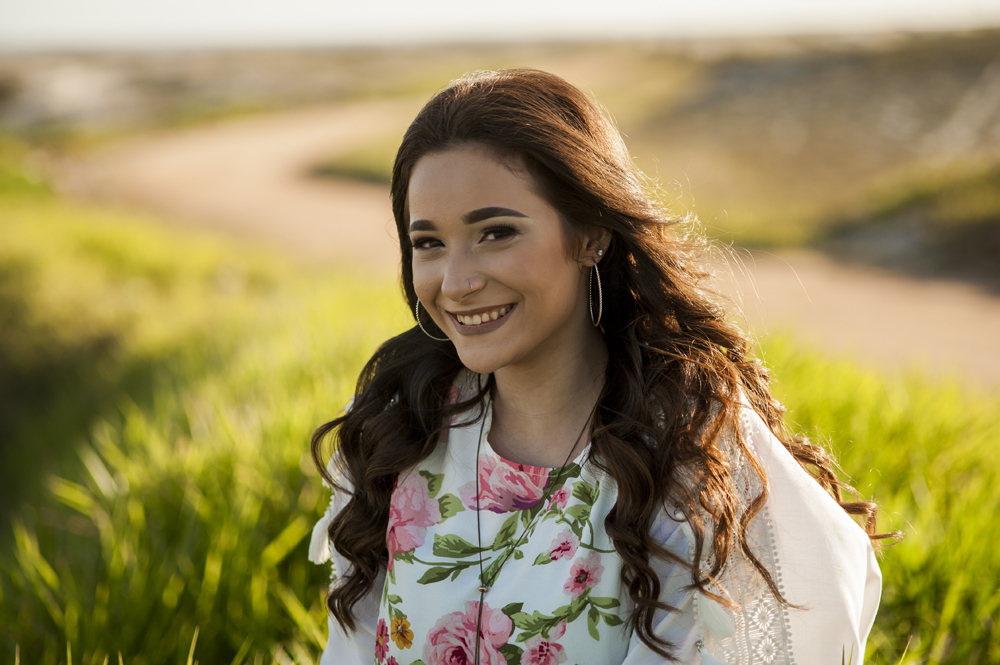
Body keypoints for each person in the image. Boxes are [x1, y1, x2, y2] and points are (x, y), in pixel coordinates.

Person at [309, 68, 888, 665]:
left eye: (495, 233)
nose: (456, 282)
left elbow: (817, 597)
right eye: (428, 243)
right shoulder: (398, 427)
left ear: (590, 234)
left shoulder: (685, 460)